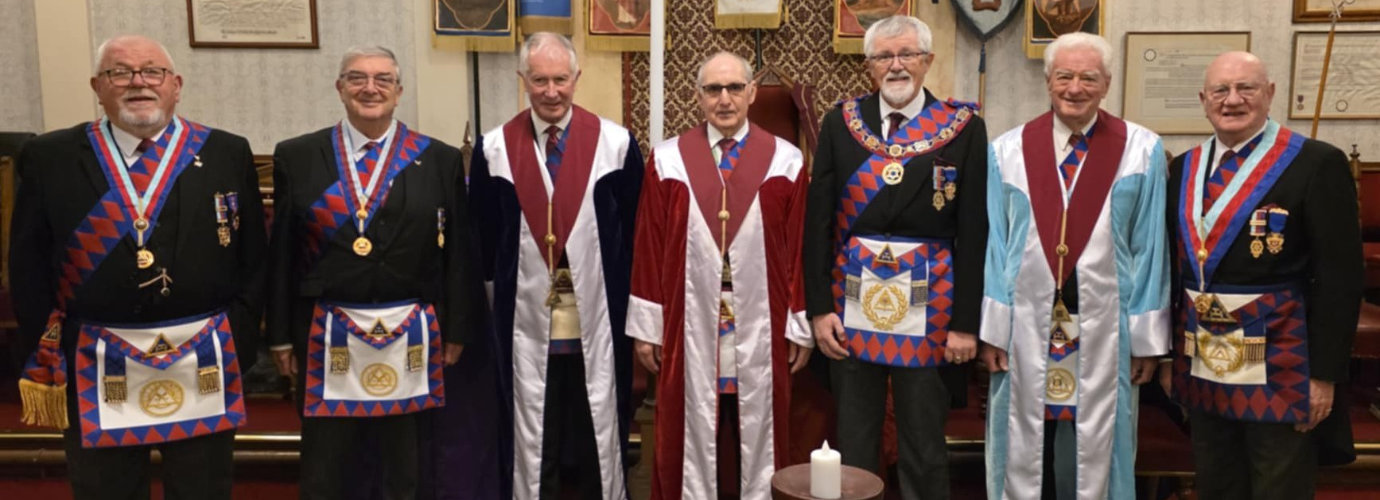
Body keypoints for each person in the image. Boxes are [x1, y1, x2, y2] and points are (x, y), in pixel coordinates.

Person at [11, 34, 266, 499]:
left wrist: (241, 335)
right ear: (97, 86)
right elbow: (27, 265)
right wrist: (53, 345)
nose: (138, 83)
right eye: (120, 72)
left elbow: (253, 259)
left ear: (175, 84)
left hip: (202, 357)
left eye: (152, 71)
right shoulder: (52, 157)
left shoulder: (227, 151)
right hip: (94, 358)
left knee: (202, 490)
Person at [265, 45, 477, 500]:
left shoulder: (436, 158)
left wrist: (457, 325)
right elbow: (281, 253)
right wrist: (280, 334)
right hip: (324, 331)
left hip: (412, 334)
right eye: (357, 78)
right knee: (327, 466)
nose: (370, 88)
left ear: (399, 92)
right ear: (340, 88)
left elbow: (458, 250)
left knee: (406, 463)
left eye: (383, 79)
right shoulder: (299, 156)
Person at [801, 15, 987, 498]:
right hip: (851, 306)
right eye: (884, 56)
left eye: (907, 54)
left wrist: (966, 324)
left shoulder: (964, 128)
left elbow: (974, 231)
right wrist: (820, 309)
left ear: (927, 61)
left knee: (924, 445)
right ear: (869, 65)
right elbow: (817, 225)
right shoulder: (841, 122)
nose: (896, 65)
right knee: (855, 441)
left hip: (932, 308)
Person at [1164, 51, 1362, 500]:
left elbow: (1340, 280)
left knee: (1278, 486)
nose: (1232, 100)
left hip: (1283, 364)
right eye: (1221, 90)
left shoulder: (1314, 163)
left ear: (1269, 93)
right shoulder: (1183, 169)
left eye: (1245, 88)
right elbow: (1175, 272)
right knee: (1216, 483)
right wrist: (1165, 359)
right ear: (1204, 99)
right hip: (1204, 361)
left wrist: (1325, 376)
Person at [979, 32, 1169, 500]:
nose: (1075, 88)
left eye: (1088, 78)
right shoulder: (1007, 150)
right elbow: (996, 245)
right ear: (1048, 81)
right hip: (1025, 323)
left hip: (1108, 324)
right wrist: (994, 329)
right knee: (1025, 441)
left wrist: (1146, 342)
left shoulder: (1142, 149)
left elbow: (1150, 248)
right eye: (1064, 76)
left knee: (1098, 444)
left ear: (1106, 84)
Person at [627, 51, 812, 500]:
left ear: (751, 92)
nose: (724, 99)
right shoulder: (668, 160)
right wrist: (648, 329)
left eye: (734, 88)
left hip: (762, 326)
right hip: (688, 327)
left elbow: (800, 250)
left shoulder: (785, 161)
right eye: (713, 89)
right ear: (698, 96)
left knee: (760, 435)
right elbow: (648, 246)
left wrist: (798, 324)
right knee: (687, 435)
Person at [468, 32, 643, 500]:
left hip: (600, 317)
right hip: (522, 318)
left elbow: (636, 231)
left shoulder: (617, 144)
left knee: (595, 422)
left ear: (576, 78)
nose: (551, 91)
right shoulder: (494, 149)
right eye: (539, 80)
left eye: (560, 80)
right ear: (522, 79)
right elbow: (482, 238)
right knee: (532, 427)